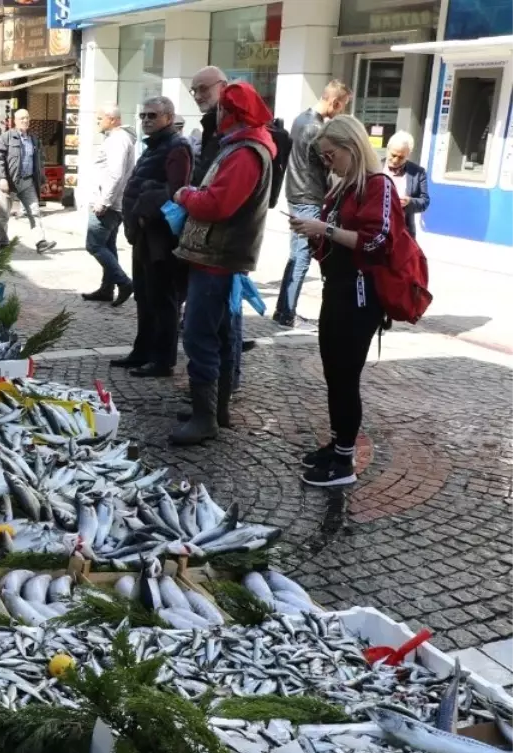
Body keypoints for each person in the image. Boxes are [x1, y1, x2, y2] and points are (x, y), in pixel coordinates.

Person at [289, 115, 407, 487]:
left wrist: (324, 229)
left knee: (344, 376)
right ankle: (339, 446)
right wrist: (314, 234)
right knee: (334, 374)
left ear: (351, 148)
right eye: (324, 156)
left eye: (330, 155)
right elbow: (332, 244)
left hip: (360, 297)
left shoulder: (378, 186)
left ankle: (344, 462)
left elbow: (378, 242)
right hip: (337, 291)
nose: (328, 163)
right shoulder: (340, 189)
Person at [169, 82, 277, 445]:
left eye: (220, 109)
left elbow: (218, 205)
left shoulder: (245, 152)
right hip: (216, 256)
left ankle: (206, 417)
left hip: (218, 258)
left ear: (230, 114)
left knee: (201, 334)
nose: (214, 113)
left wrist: (186, 195)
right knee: (219, 333)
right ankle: (215, 409)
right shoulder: (241, 146)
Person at [110, 97, 192, 377]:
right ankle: (142, 351)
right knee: (144, 296)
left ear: (168, 118)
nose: (145, 120)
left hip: (161, 236)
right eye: (143, 115)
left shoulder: (177, 147)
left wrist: (147, 203)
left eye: (152, 115)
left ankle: (162, 359)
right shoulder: (154, 145)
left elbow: (178, 191)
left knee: (161, 298)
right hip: (144, 234)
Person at [274, 80, 353, 327]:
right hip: (309, 195)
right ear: (334, 102)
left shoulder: (300, 119)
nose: (340, 112)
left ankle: (283, 310)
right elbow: (330, 165)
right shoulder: (316, 129)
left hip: (297, 192)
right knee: (302, 255)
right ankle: (286, 313)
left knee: (297, 254)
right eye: (342, 107)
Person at [82, 105, 136, 305]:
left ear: (112, 119)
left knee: (94, 245)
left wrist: (104, 201)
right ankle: (107, 288)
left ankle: (123, 282)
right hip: (112, 202)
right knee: (107, 245)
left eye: (99, 118)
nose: (97, 122)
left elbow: (116, 173)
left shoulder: (117, 140)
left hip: (108, 204)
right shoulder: (116, 138)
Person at [0, 109, 55, 255]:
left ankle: (40, 242)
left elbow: (39, 161)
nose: (25, 121)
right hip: (10, 182)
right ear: (15, 121)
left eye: (27, 118)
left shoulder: (34, 139)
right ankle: (3, 241)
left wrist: (43, 180)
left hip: (27, 182)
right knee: (4, 215)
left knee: (34, 211)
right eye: (22, 118)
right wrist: (2, 178)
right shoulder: (6, 137)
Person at [383, 130, 429, 238]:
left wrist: (409, 202)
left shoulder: (418, 172)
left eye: (401, 157)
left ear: (408, 155)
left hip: (403, 232)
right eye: (393, 155)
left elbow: (424, 202)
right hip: (376, 229)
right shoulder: (375, 167)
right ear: (387, 149)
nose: (395, 160)